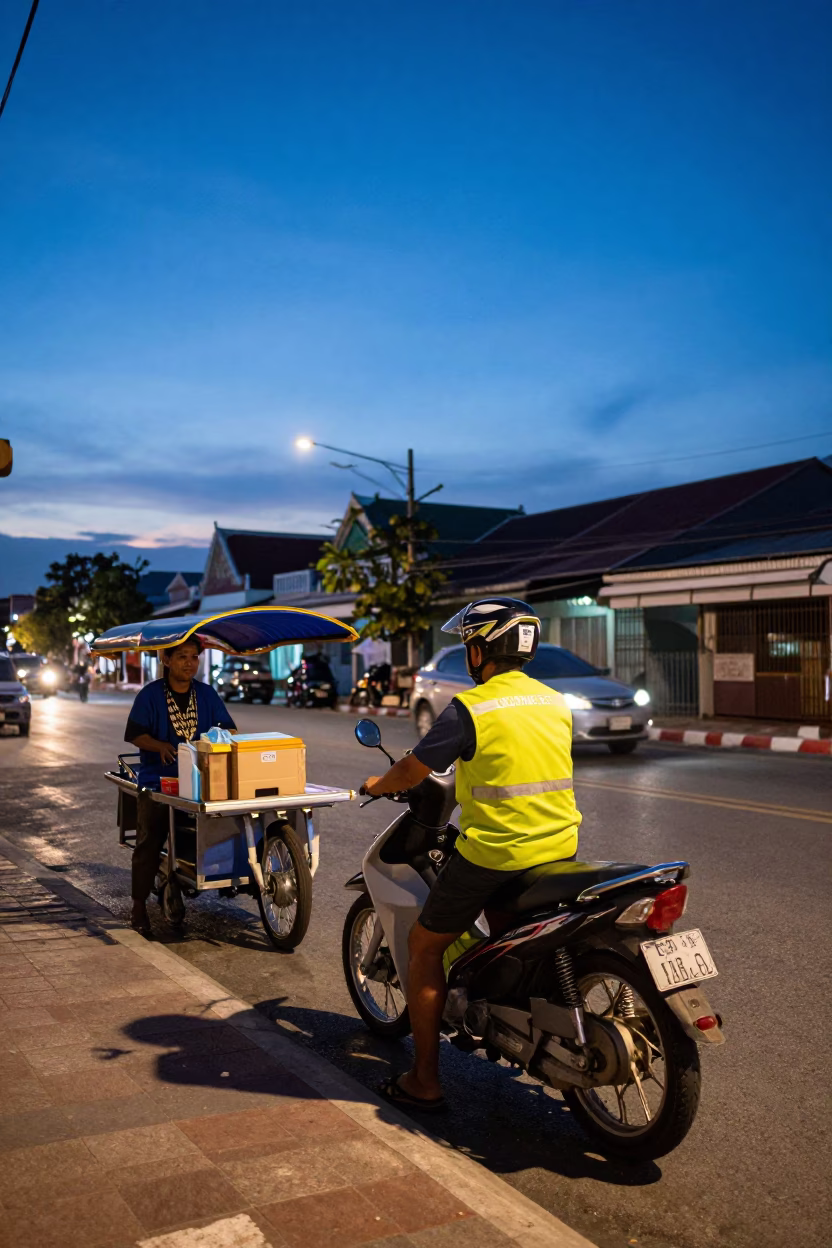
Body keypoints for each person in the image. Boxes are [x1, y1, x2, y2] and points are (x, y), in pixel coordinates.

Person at [360, 598, 582, 1112]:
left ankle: (424, 1079)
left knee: (423, 945)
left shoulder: (472, 708)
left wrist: (377, 781)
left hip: (496, 852)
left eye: (470, 645)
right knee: (508, 932)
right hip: (561, 847)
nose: (468, 655)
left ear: (481, 650)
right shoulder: (554, 701)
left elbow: (414, 770)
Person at [124, 638, 236, 934]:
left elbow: (230, 729)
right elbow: (135, 734)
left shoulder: (207, 694)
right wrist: (158, 745)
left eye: (194, 657)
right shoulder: (150, 695)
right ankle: (138, 907)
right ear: (166, 660)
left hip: (200, 780)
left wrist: (214, 741)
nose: (189, 663)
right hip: (158, 780)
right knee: (150, 839)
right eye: (182, 657)